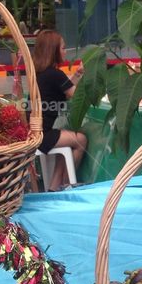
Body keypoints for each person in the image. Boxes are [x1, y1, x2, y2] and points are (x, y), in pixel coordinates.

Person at [31, 30, 87, 190]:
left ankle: (55, 188)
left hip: (36, 132)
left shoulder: (42, 73)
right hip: (42, 135)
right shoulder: (55, 74)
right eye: (63, 48)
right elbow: (75, 95)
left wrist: (77, 74)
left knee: (68, 143)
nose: (65, 51)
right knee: (81, 140)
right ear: (54, 50)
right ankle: (69, 185)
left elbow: (64, 89)